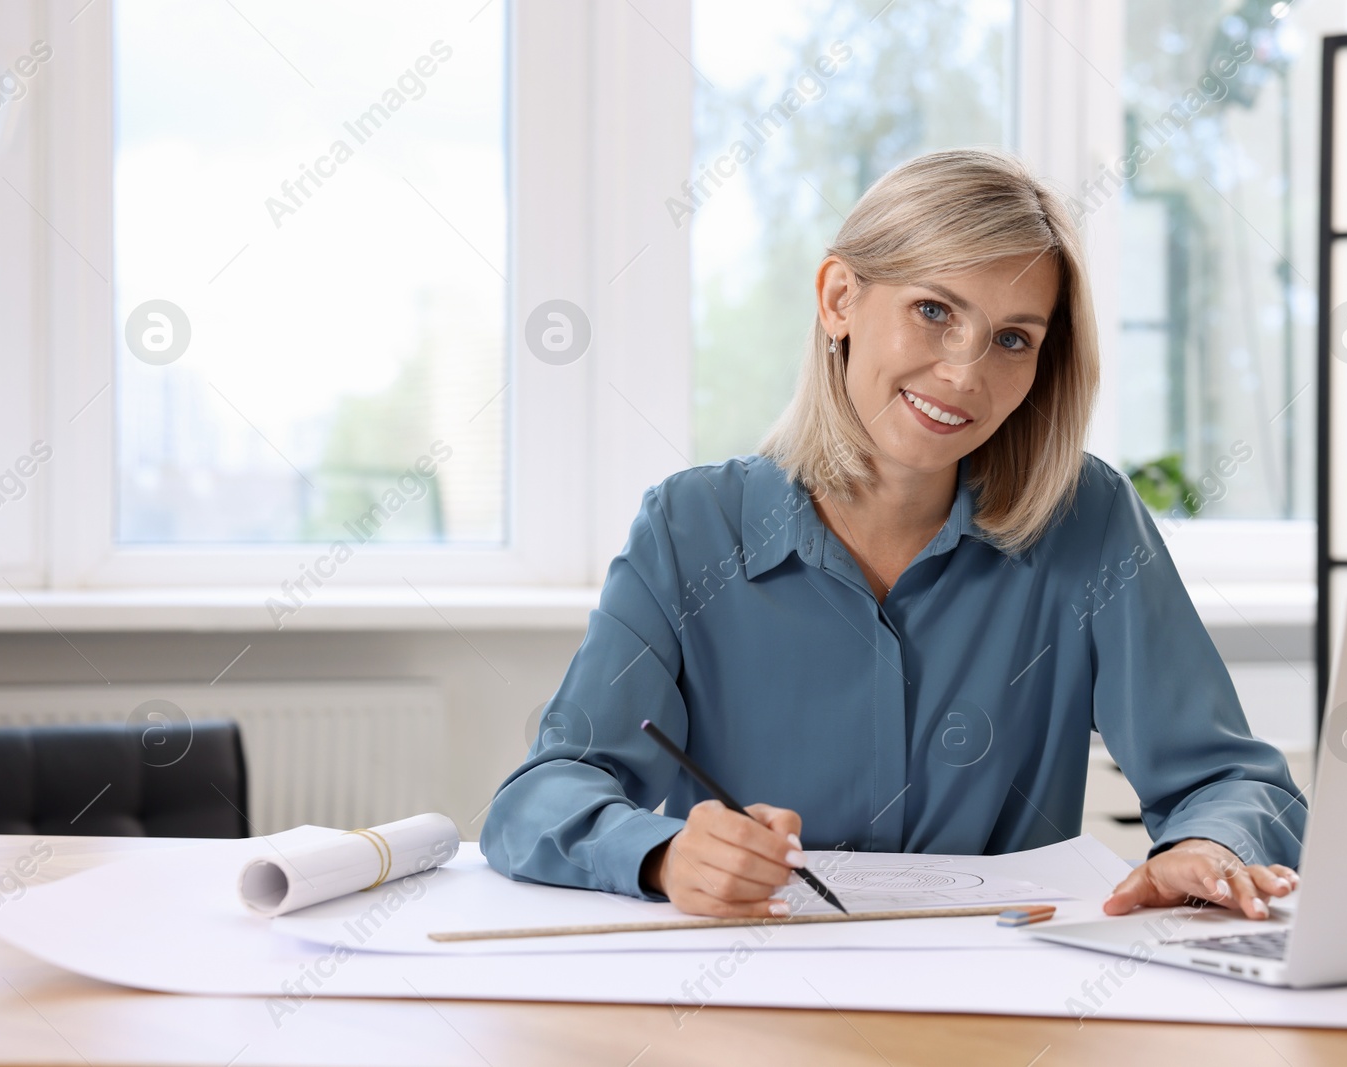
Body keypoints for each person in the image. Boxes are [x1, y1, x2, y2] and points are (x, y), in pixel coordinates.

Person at [482, 147, 1305, 922]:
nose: (964, 372)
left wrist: (1208, 843)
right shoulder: (689, 528)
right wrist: (662, 854)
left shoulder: (1087, 521)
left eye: (1013, 338)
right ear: (840, 299)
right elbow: (540, 798)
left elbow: (1228, 777)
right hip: (755, 998)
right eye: (934, 310)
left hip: (1005, 1002)